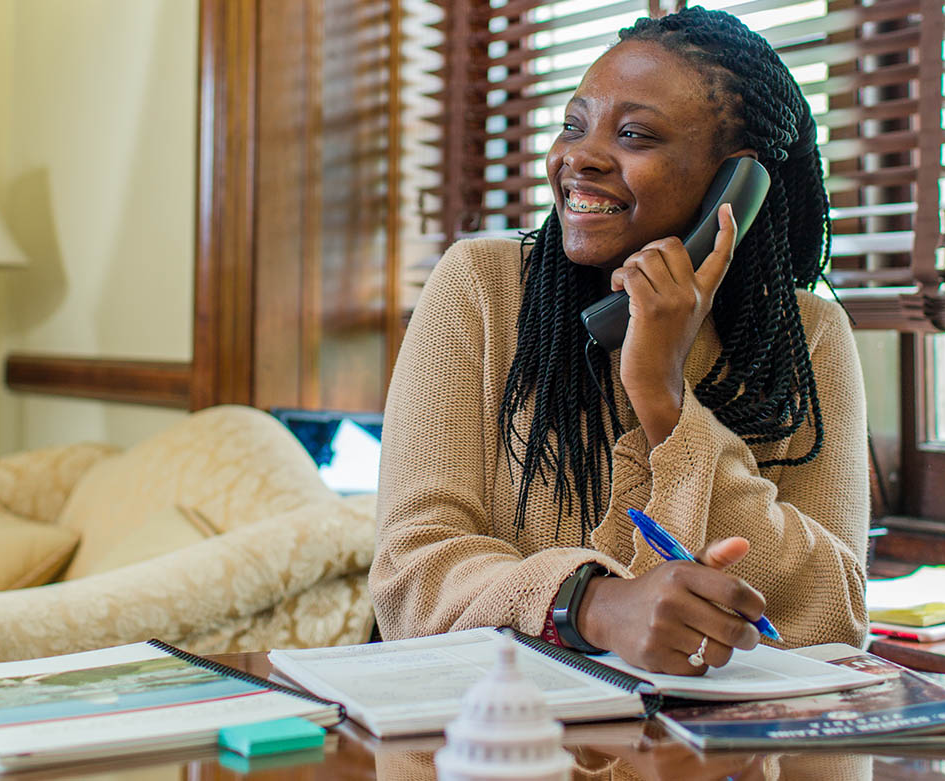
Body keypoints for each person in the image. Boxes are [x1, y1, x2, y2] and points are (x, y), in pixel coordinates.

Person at [370, 7, 869, 675]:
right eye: (572, 126)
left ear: (735, 184)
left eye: (634, 135)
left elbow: (835, 616)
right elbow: (411, 572)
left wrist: (664, 399)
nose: (578, 157)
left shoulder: (808, 337)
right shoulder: (481, 288)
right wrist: (593, 604)